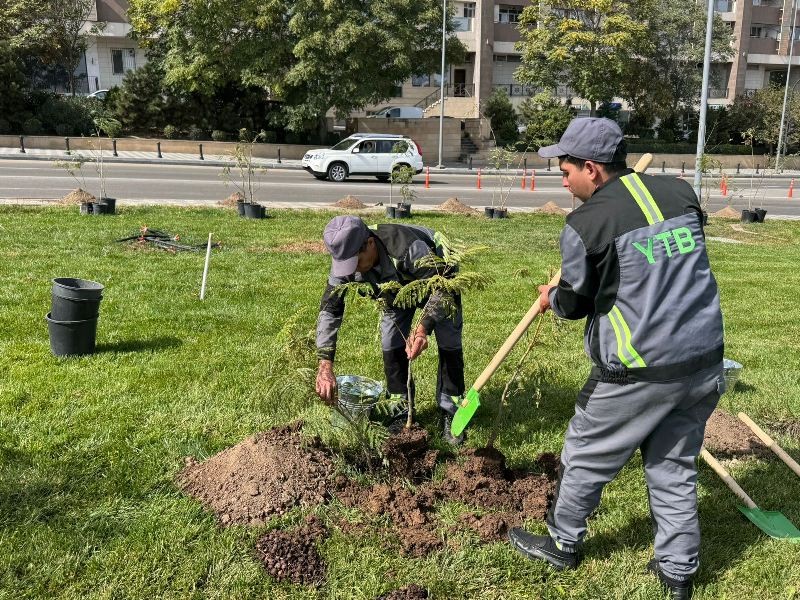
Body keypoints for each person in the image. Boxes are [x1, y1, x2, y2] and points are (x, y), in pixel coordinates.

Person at [507, 118, 724, 600]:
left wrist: (553, 295)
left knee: (584, 455)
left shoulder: (586, 225)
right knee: (673, 465)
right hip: (703, 359)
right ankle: (678, 573)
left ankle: (562, 543)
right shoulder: (679, 193)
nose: (560, 180)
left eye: (564, 170)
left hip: (636, 371)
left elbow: (575, 303)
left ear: (592, 169)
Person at [315, 215, 467, 445]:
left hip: (438, 279)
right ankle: (400, 406)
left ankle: (452, 407)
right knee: (390, 340)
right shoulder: (346, 256)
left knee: (449, 341)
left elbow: (442, 290)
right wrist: (325, 364)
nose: (352, 270)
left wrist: (422, 329)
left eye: (355, 261)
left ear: (370, 244)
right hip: (394, 289)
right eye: (346, 265)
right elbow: (330, 308)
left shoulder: (406, 248)